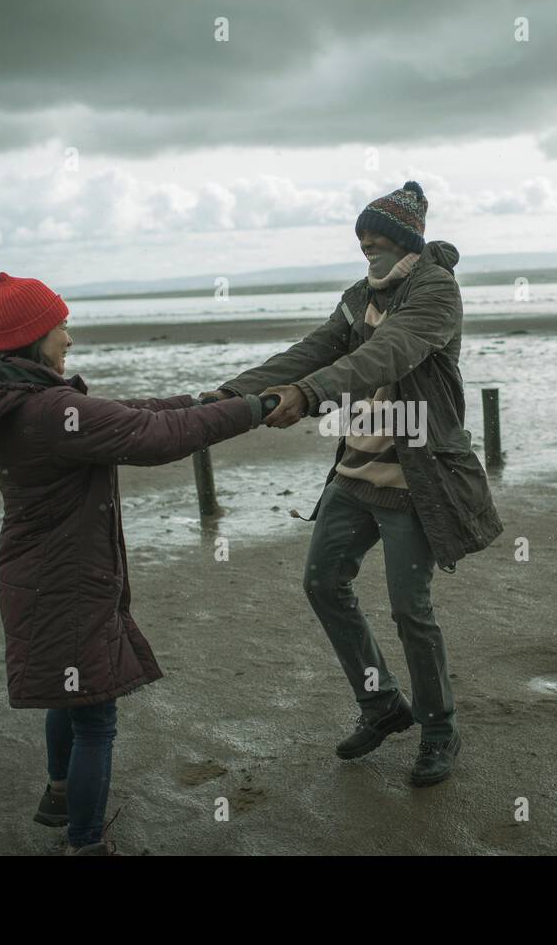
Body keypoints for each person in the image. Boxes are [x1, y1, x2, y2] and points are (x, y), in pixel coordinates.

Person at [0, 272, 269, 853]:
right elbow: (154, 437)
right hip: (65, 585)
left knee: (71, 694)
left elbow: (135, 413)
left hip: (40, 578)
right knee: (96, 721)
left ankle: (60, 794)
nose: (70, 337)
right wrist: (254, 410)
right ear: (37, 336)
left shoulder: (23, 400)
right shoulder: (50, 410)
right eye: (62, 325)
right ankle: (86, 843)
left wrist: (204, 402)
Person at [204, 182, 502, 786]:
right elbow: (315, 349)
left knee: (409, 611)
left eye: (377, 240)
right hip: (355, 473)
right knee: (322, 584)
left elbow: (384, 356)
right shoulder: (359, 295)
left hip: (415, 480)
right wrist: (235, 390)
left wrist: (309, 395)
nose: (367, 249)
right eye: (362, 242)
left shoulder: (435, 293)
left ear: (407, 242)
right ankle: (382, 703)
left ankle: (439, 728)